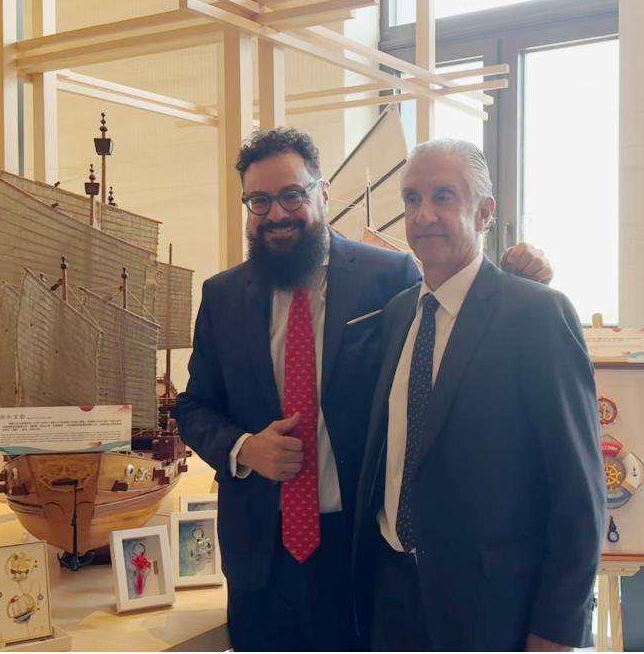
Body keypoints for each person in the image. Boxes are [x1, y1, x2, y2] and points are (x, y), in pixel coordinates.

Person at [174, 127, 552, 651]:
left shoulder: (390, 275)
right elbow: (193, 407)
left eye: (292, 195)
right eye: (259, 201)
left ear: (323, 193)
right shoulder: (221, 296)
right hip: (259, 556)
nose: (277, 213)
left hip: (358, 551)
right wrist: (244, 448)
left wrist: (519, 281)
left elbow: (454, 337)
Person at [351, 138, 603, 652]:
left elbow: (577, 491)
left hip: (491, 610)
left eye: (443, 196)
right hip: (392, 597)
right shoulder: (398, 314)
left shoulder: (536, 315)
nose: (423, 215)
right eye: (412, 198)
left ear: (484, 212)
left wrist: (557, 628)